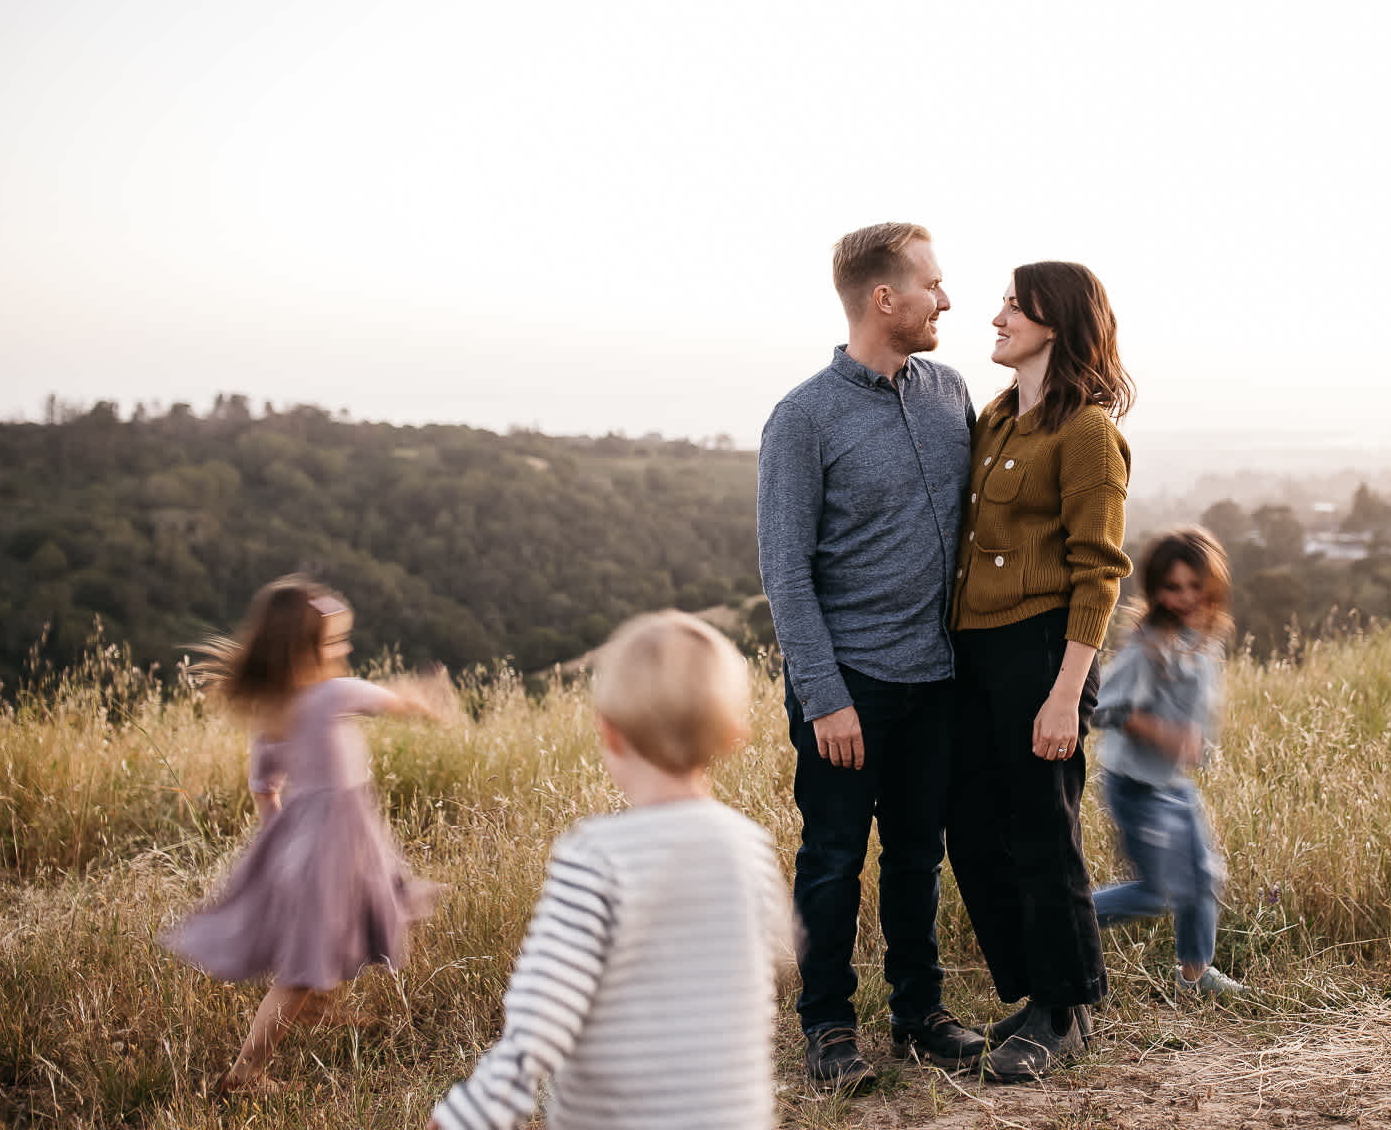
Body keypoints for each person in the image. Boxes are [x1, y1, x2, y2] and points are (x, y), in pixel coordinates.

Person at [757, 222, 985, 1090]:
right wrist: (823, 695)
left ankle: (919, 1014)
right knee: (832, 858)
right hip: (847, 682)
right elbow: (784, 568)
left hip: (936, 680)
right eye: (932, 283)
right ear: (884, 298)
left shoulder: (948, 390)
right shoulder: (803, 417)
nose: (946, 299)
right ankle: (827, 1029)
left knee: (918, 855)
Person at [428, 611, 791, 1130]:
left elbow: (542, 1014)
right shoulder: (750, 846)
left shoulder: (596, 856)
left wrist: (475, 1110)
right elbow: (775, 964)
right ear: (733, 734)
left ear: (610, 734)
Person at [947, 260, 1134, 1082]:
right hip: (973, 651)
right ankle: (1032, 994)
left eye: (1011, 308)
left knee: (1039, 831)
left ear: (1052, 322)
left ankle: (1062, 1007)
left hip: (1043, 651)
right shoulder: (991, 421)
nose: (994, 318)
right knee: (970, 829)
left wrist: (1065, 694)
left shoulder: (1087, 431)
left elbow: (1099, 569)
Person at [163, 575, 448, 1096]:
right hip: (335, 845)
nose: (344, 649)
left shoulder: (271, 717)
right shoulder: (333, 694)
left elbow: (263, 789)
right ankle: (247, 1073)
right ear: (305, 649)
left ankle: (319, 997)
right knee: (302, 967)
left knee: (341, 926)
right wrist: (425, 702)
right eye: (335, 640)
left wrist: (284, 845)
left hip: (309, 842)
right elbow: (391, 700)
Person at [1091, 527, 1245, 997]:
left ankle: (1193, 978)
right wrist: (1165, 733)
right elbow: (1102, 709)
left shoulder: (1201, 640)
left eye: (1195, 586)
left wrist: (1193, 743)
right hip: (1135, 786)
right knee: (1157, 891)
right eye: (1173, 587)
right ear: (1156, 590)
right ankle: (1057, 919)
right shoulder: (1146, 647)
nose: (1185, 597)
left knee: (1202, 877)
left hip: (1171, 783)